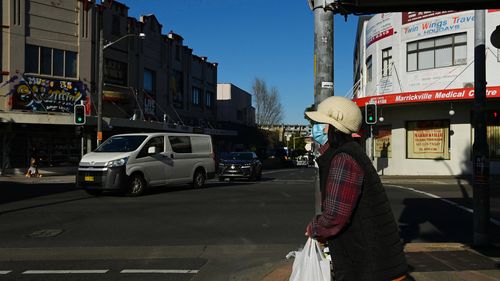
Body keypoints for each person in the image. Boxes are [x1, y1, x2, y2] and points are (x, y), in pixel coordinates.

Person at [305, 96, 410, 281]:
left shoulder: (343, 159)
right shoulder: (349, 152)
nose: (315, 127)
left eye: (320, 123)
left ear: (332, 127)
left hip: (368, 266)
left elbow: (334, 216)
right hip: (373, 262)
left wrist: (314, 228)